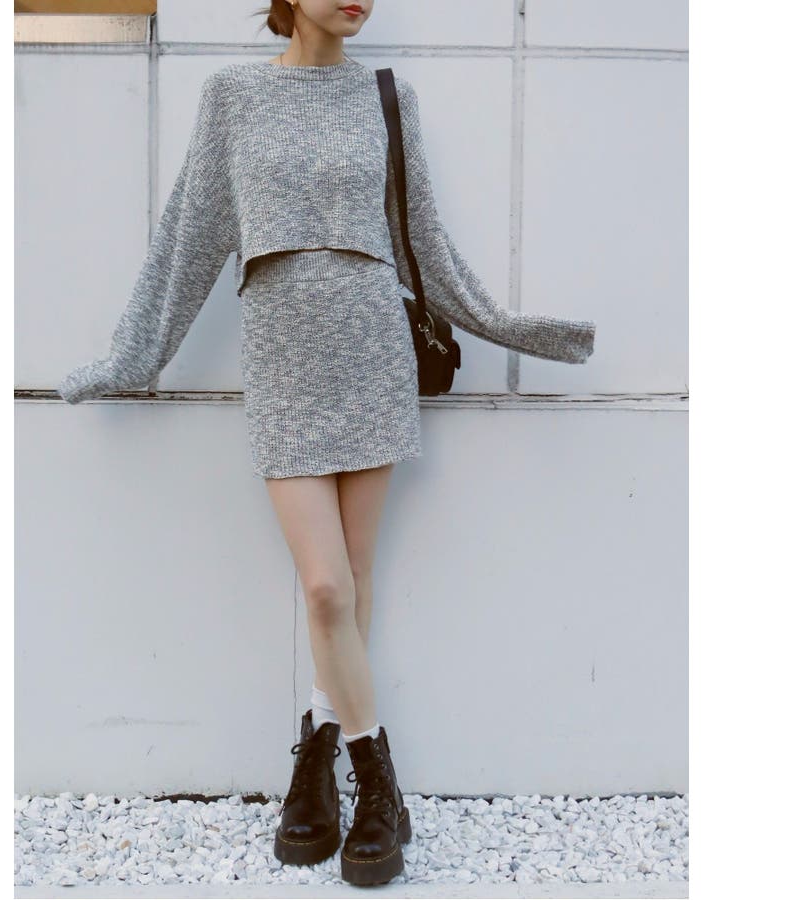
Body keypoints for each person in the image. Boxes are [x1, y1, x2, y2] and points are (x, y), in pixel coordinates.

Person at [57, 0, 596, 886]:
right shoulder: (232, 96)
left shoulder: (388, 97)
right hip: (283, 360)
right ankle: (378, 780)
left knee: (354, 578)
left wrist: (515, 329)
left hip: (371, 352)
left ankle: (314, 763)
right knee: (324, 586)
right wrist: (129, 358)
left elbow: (424, 243)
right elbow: (190, 237)